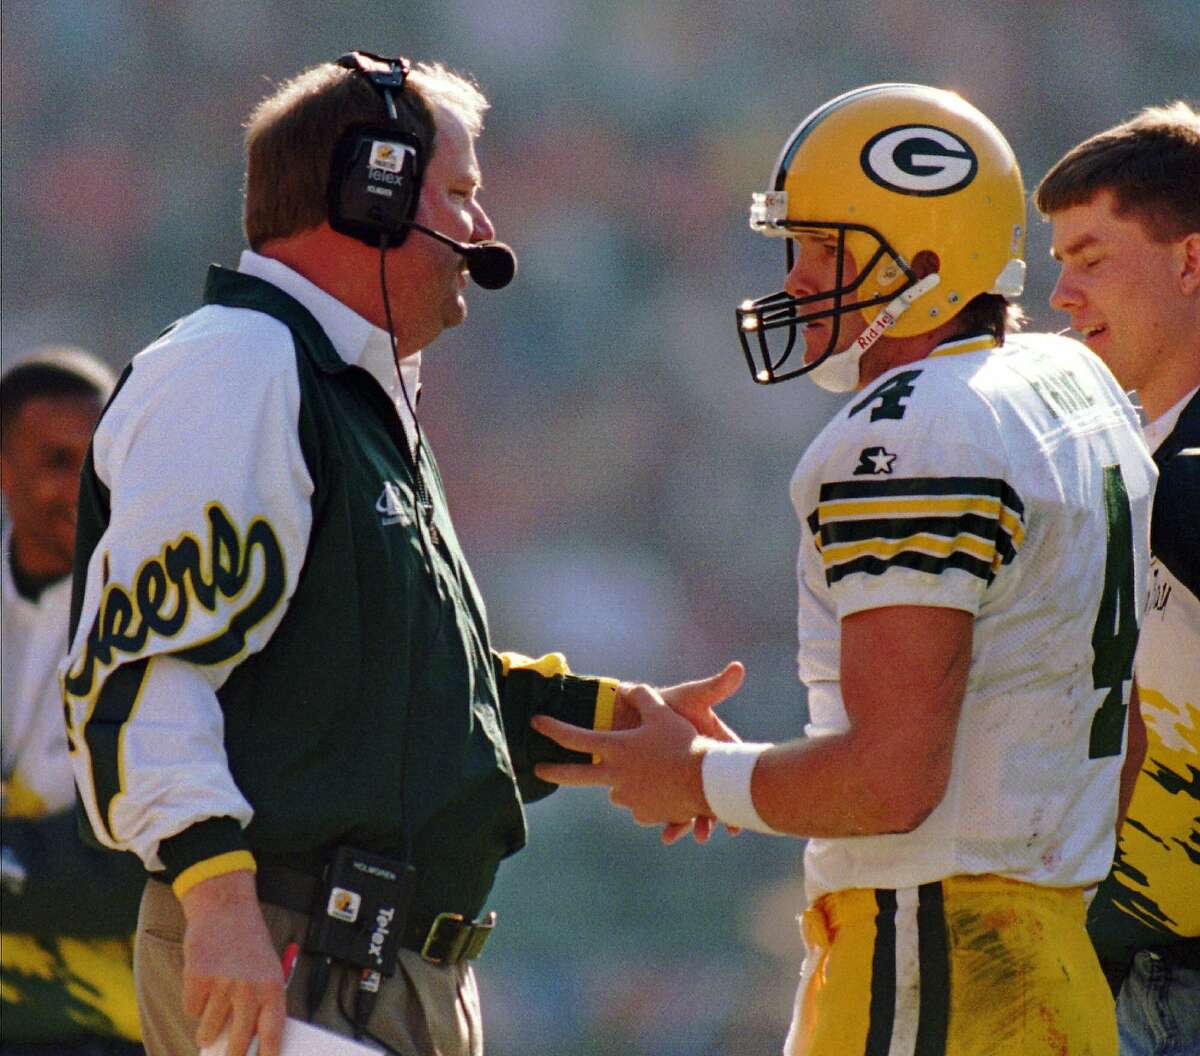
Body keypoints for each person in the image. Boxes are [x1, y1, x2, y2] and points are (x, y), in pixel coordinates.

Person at [60, 51, 738, 1056]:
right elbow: (143, 672)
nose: (481, 230)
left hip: (363, 965)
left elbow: (394, 693)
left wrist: (616, 725)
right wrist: (218, 903)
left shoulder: (340, 389)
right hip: (289, 954)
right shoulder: (237, 366)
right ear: (370, 189)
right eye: (461, 193)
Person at [533, 83, 1159, 1055]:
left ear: (925, 261)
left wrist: (695, 777)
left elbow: (892, 781)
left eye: (825, 249)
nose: (794, 279)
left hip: (933, 959)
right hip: (1052, 960)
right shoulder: (1073, 387)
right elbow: (1128, 744)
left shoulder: (914, 427)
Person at [1036, 100, 1200, 1055]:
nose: (1061, 294)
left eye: (1091, 258)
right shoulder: (1114, 465)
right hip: (1114, 989)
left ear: (1190, 261)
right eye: (1056, 261)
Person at [1, 347, 145, 1054]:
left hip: (104, 1033)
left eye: (101, 465)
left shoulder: (158, 629)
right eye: (59, 462)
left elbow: (131, 869)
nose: (86, 490)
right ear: (3, 470)